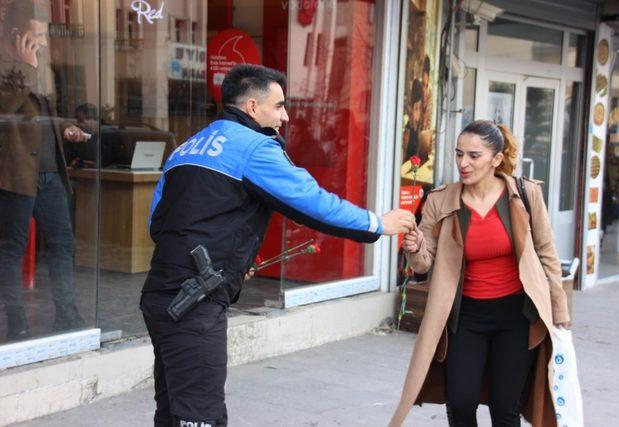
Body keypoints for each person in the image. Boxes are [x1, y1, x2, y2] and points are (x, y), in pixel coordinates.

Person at [140, 64, 416, 427]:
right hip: (194, 304)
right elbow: (312, 202)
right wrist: (378, 224)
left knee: (172, 411)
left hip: (160, 295)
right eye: (279, 106)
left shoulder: (188, 147)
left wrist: (228, 258)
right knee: (200, 417)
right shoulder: (254, 147)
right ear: (252, 107)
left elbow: (158, 223)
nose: (285, 116)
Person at [390, 120, 571, 427]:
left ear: (496, 159)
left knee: (505, 407)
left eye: (474, 156)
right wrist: (416, 246)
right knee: (460, 402)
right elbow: (422, 264)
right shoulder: (440, 199)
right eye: (459, 154)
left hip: (517, 316)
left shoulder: (525, 195)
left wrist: (560, 312)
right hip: (466, 316)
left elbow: (547, 254)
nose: (463, 162)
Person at [0, 0, 87, 341]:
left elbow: (41, 112)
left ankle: (66, 313)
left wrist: (65, 126)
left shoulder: (35, 63)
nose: (45, 43)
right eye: (38, 35)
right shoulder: (16, 64)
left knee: (62, 243)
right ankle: (16, 319)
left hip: (50, 172)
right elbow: (5, 110)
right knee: (11, 249)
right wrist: (27, 67)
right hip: (15, 173)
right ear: (17, 34)